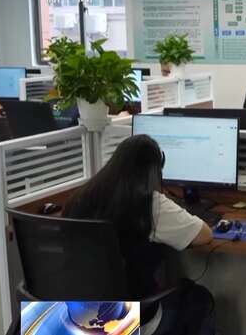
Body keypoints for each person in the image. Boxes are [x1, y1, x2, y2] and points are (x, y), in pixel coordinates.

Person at [63, 135, 215, 335]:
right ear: (154, 172)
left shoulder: (79, 198)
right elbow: (204, 235)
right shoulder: (148, 203)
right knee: (199, 297)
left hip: (78, 314)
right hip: (130, 317)